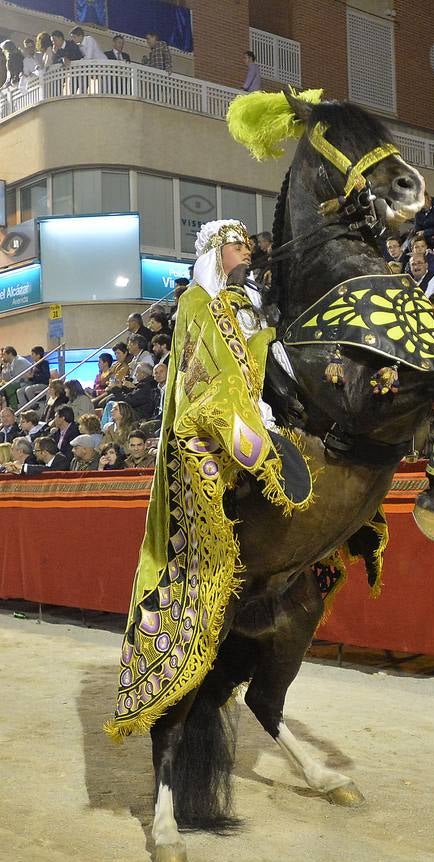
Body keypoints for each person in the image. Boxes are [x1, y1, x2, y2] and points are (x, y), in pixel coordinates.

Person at [107, 218, 312, 738]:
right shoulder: (197, 303)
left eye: (247, 244)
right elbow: (200, 369)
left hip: (256, 406)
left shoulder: (250, 303)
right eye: (237, 245)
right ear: (218, 252)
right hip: (209, 415)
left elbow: (267, 354)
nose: (247, 251)